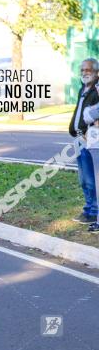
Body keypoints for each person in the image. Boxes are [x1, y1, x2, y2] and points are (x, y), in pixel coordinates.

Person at [69, 58, 99, 225]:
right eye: (82, 70)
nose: (84, 72)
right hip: (80, 139)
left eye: (87, 70)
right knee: (83, 179)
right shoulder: (84, 89)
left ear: (96, 72)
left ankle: (94, 212)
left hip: (91, 141)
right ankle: (89, 209)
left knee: (91, 179)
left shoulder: (97, 90)